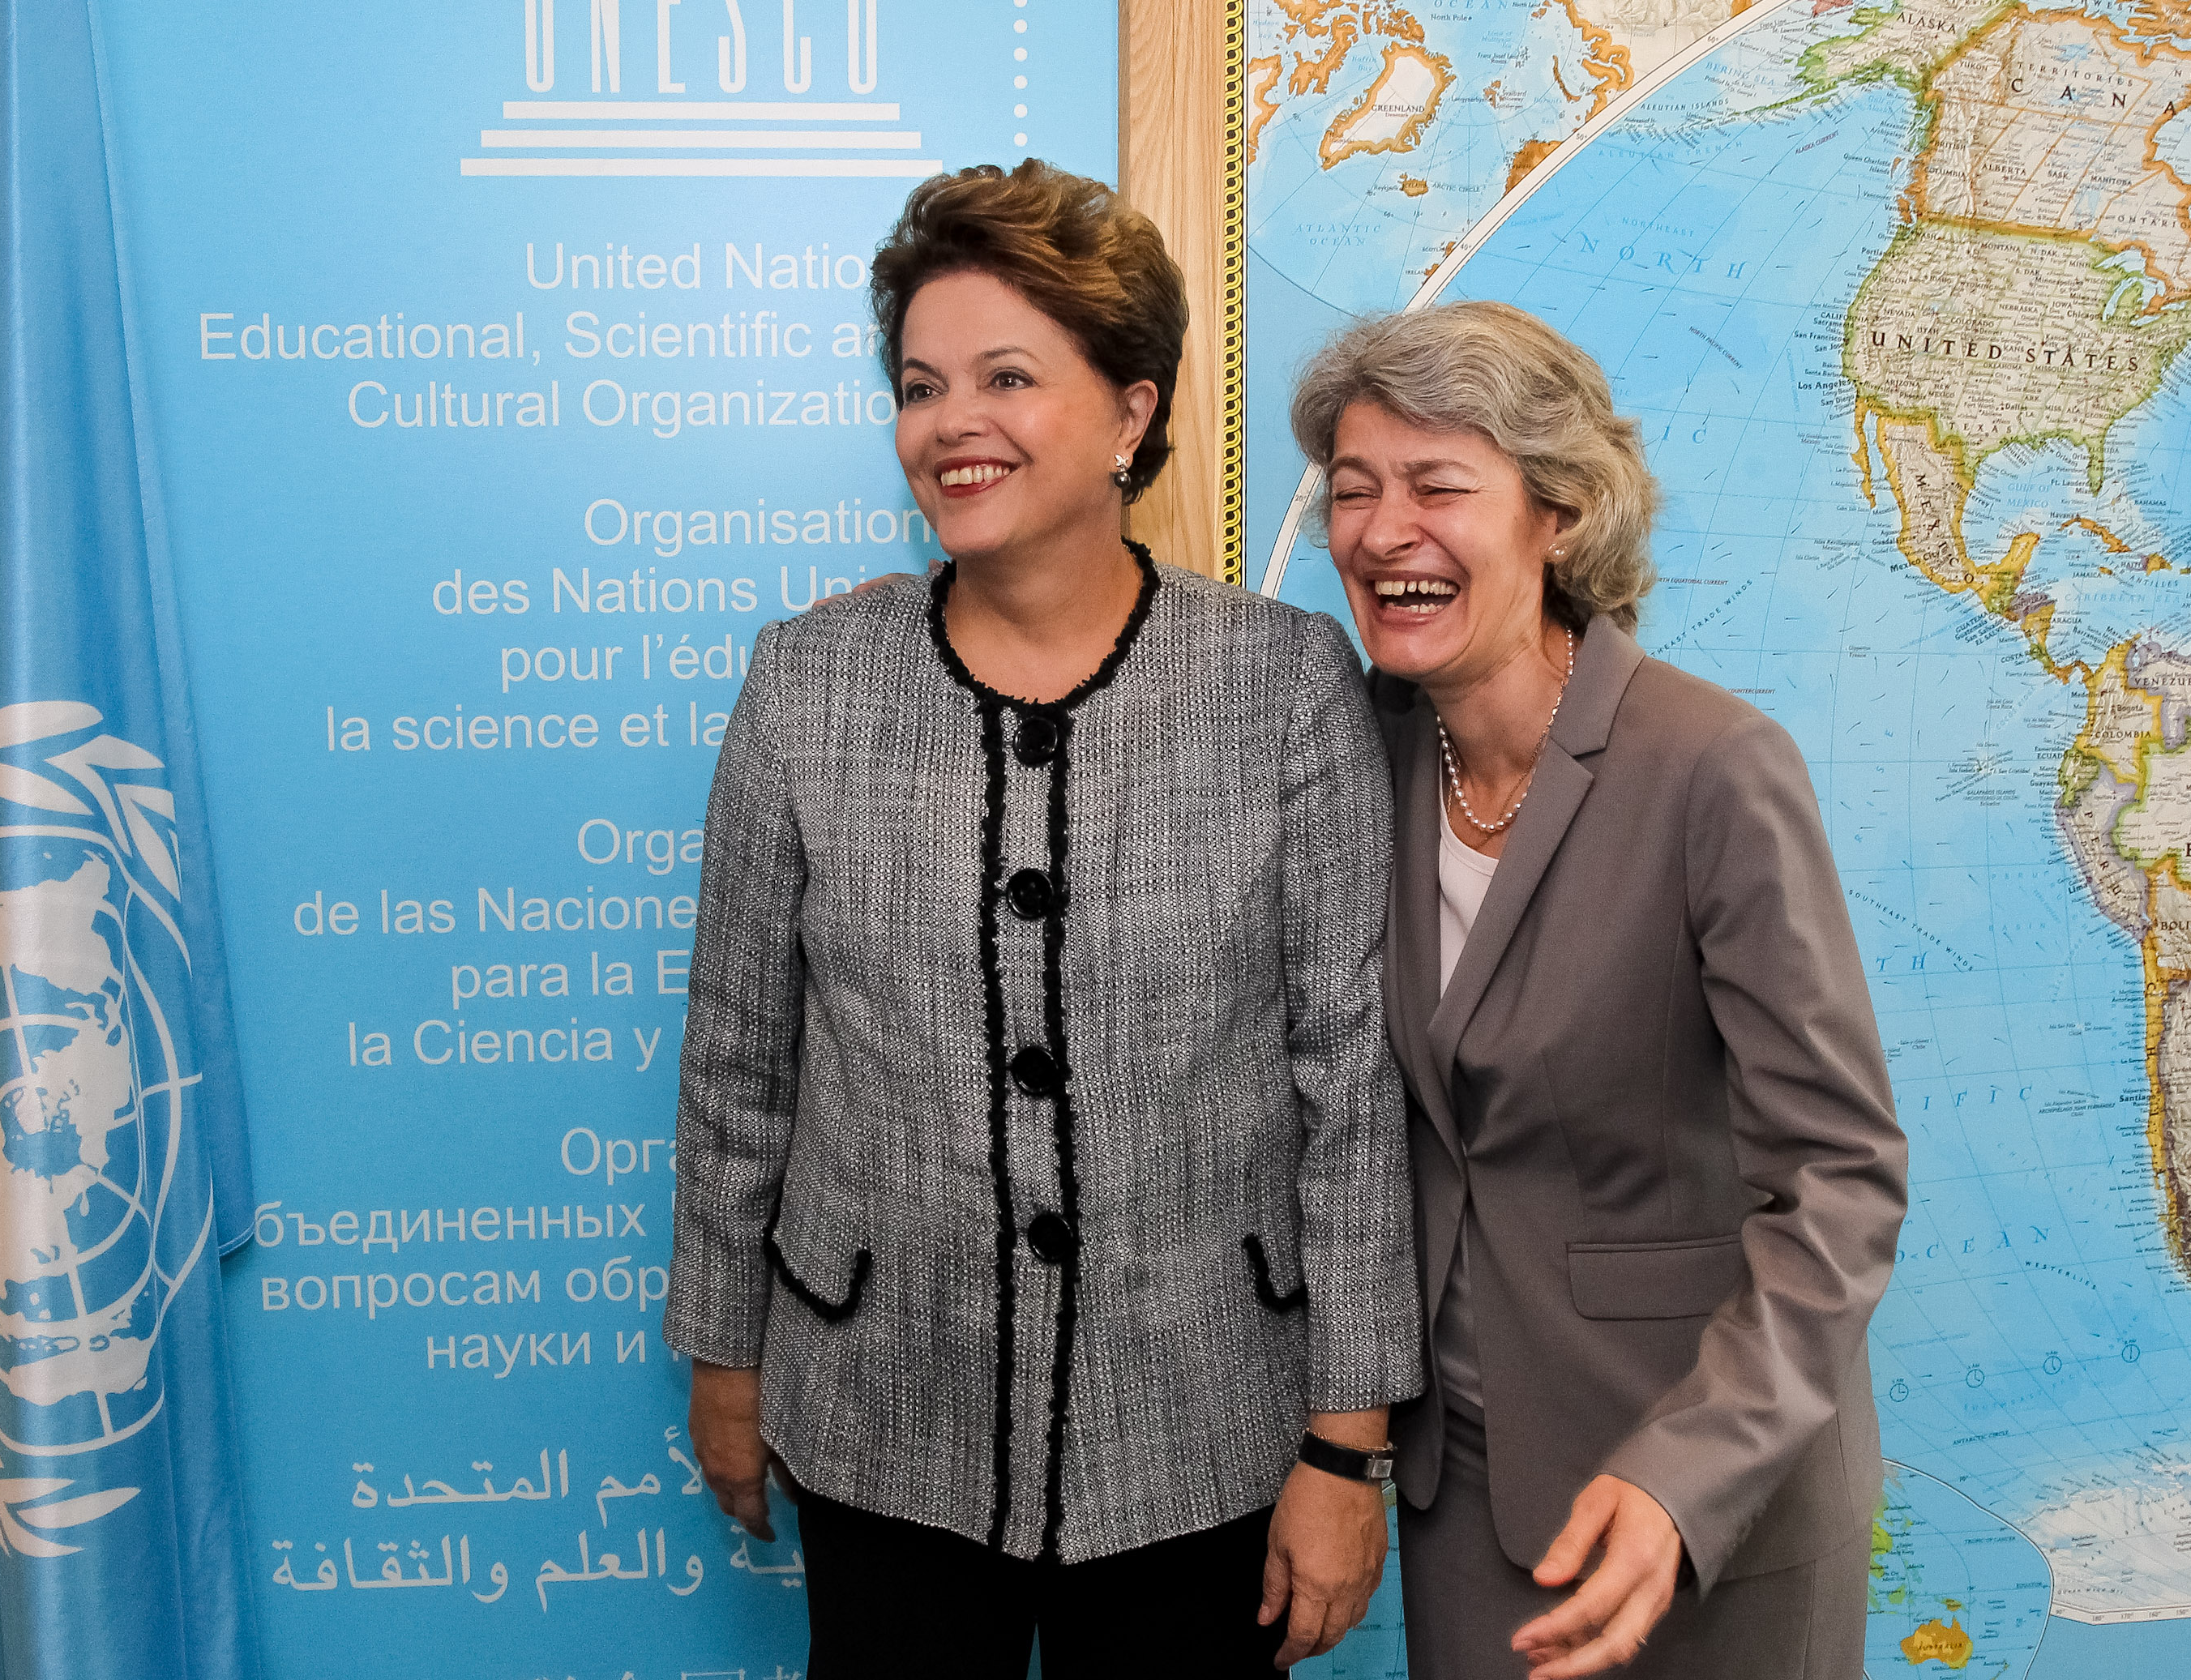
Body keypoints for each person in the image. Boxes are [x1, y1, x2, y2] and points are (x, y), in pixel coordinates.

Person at [665, 161, 1422, 1679]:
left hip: (1203, 1430)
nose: (952, 421)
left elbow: (1348, 1088)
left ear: (1130, 411)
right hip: (877, 1409)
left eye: (1007, 376)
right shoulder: (807, 682)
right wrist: (726, 1358)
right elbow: (739, 1064)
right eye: (920, 384)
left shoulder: (1284, 685)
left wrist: (1348, 1443)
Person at [1294, 304, 1908, 1680]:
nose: (1384, 531)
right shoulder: (1360, 759)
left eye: (1437, 486)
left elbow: (1841, 1179)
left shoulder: (1712, 767)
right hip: (1465, 1488)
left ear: (1558, 516)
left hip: (1701, 1493)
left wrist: (1684, 1474)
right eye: (1353, 490)